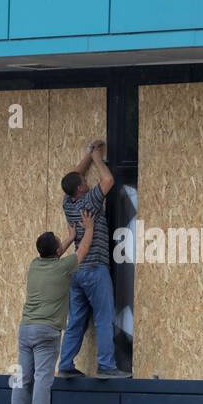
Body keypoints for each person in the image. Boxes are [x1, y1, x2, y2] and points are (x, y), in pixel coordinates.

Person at [11, 210, 94, 404]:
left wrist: (68, 237)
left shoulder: (34, 264)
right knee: (42, 378)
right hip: (47, 330)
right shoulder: (62, 267)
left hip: (26, 327)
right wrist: (88, 229)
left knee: (22, 377)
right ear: (57, 251)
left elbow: (56, 253)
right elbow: (83, 250)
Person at [57, 139, 130, 379]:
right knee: (104, 317)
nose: (86, 181)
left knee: (76, 319)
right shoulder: (89, 202)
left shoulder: (68, 203)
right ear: (80, 189)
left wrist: (87, 154)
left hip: (76, 271)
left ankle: (66, 364)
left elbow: (74, 175)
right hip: (95, 268)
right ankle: (106, 366)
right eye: (84, 183)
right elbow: (108, 180)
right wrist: (98, 157)